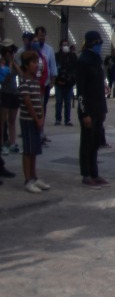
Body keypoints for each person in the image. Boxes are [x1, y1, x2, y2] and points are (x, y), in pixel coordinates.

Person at [75, 30, 109, 187]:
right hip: (88, 108)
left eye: (100, 42)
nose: (99, 46)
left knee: (96, 142)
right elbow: (81, 91)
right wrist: (84, 113)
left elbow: (100, 87)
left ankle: (95, 172)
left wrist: (103, 110)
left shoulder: (97, 61)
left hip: (98, 107)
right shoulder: (83, 61)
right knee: (87, 142)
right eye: (96, 43)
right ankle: (86, 173)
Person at [17, 50, 50, 193]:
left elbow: (39, 101)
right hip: (28, 120)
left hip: (37, 120)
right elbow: (27, 102)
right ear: (26, 65)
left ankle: (34, 176)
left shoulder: (36, 82)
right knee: (28, 150)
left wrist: (41, 116)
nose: (36, 65)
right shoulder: (24, 81)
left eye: (37, 62)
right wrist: (36, 118)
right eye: (33, 63)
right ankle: (28, 179)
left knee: (34, 150)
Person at [1, 43, 19, 154]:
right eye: (8, 52)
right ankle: (2, 144)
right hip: (5, 93)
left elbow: (21, 74)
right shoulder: (2, 64)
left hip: (14, 92)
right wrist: (10, 65)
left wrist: (15, 64)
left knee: (12, 120)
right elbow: (5, 79)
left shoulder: (14, 62)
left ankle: (13, 143)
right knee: (3, 121)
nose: (10, 54)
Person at [54, 37, 77, 125]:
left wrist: (72, 79)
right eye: (63, 45)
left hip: (69, 83)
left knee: (68, 102)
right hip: (59, 83)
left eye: (66, 45)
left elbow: (75, 68)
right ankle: (58, 119)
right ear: (60, 46)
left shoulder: (72, 56)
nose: (65, 46)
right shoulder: (56, 56)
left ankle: (67, 119)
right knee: (59, 101)